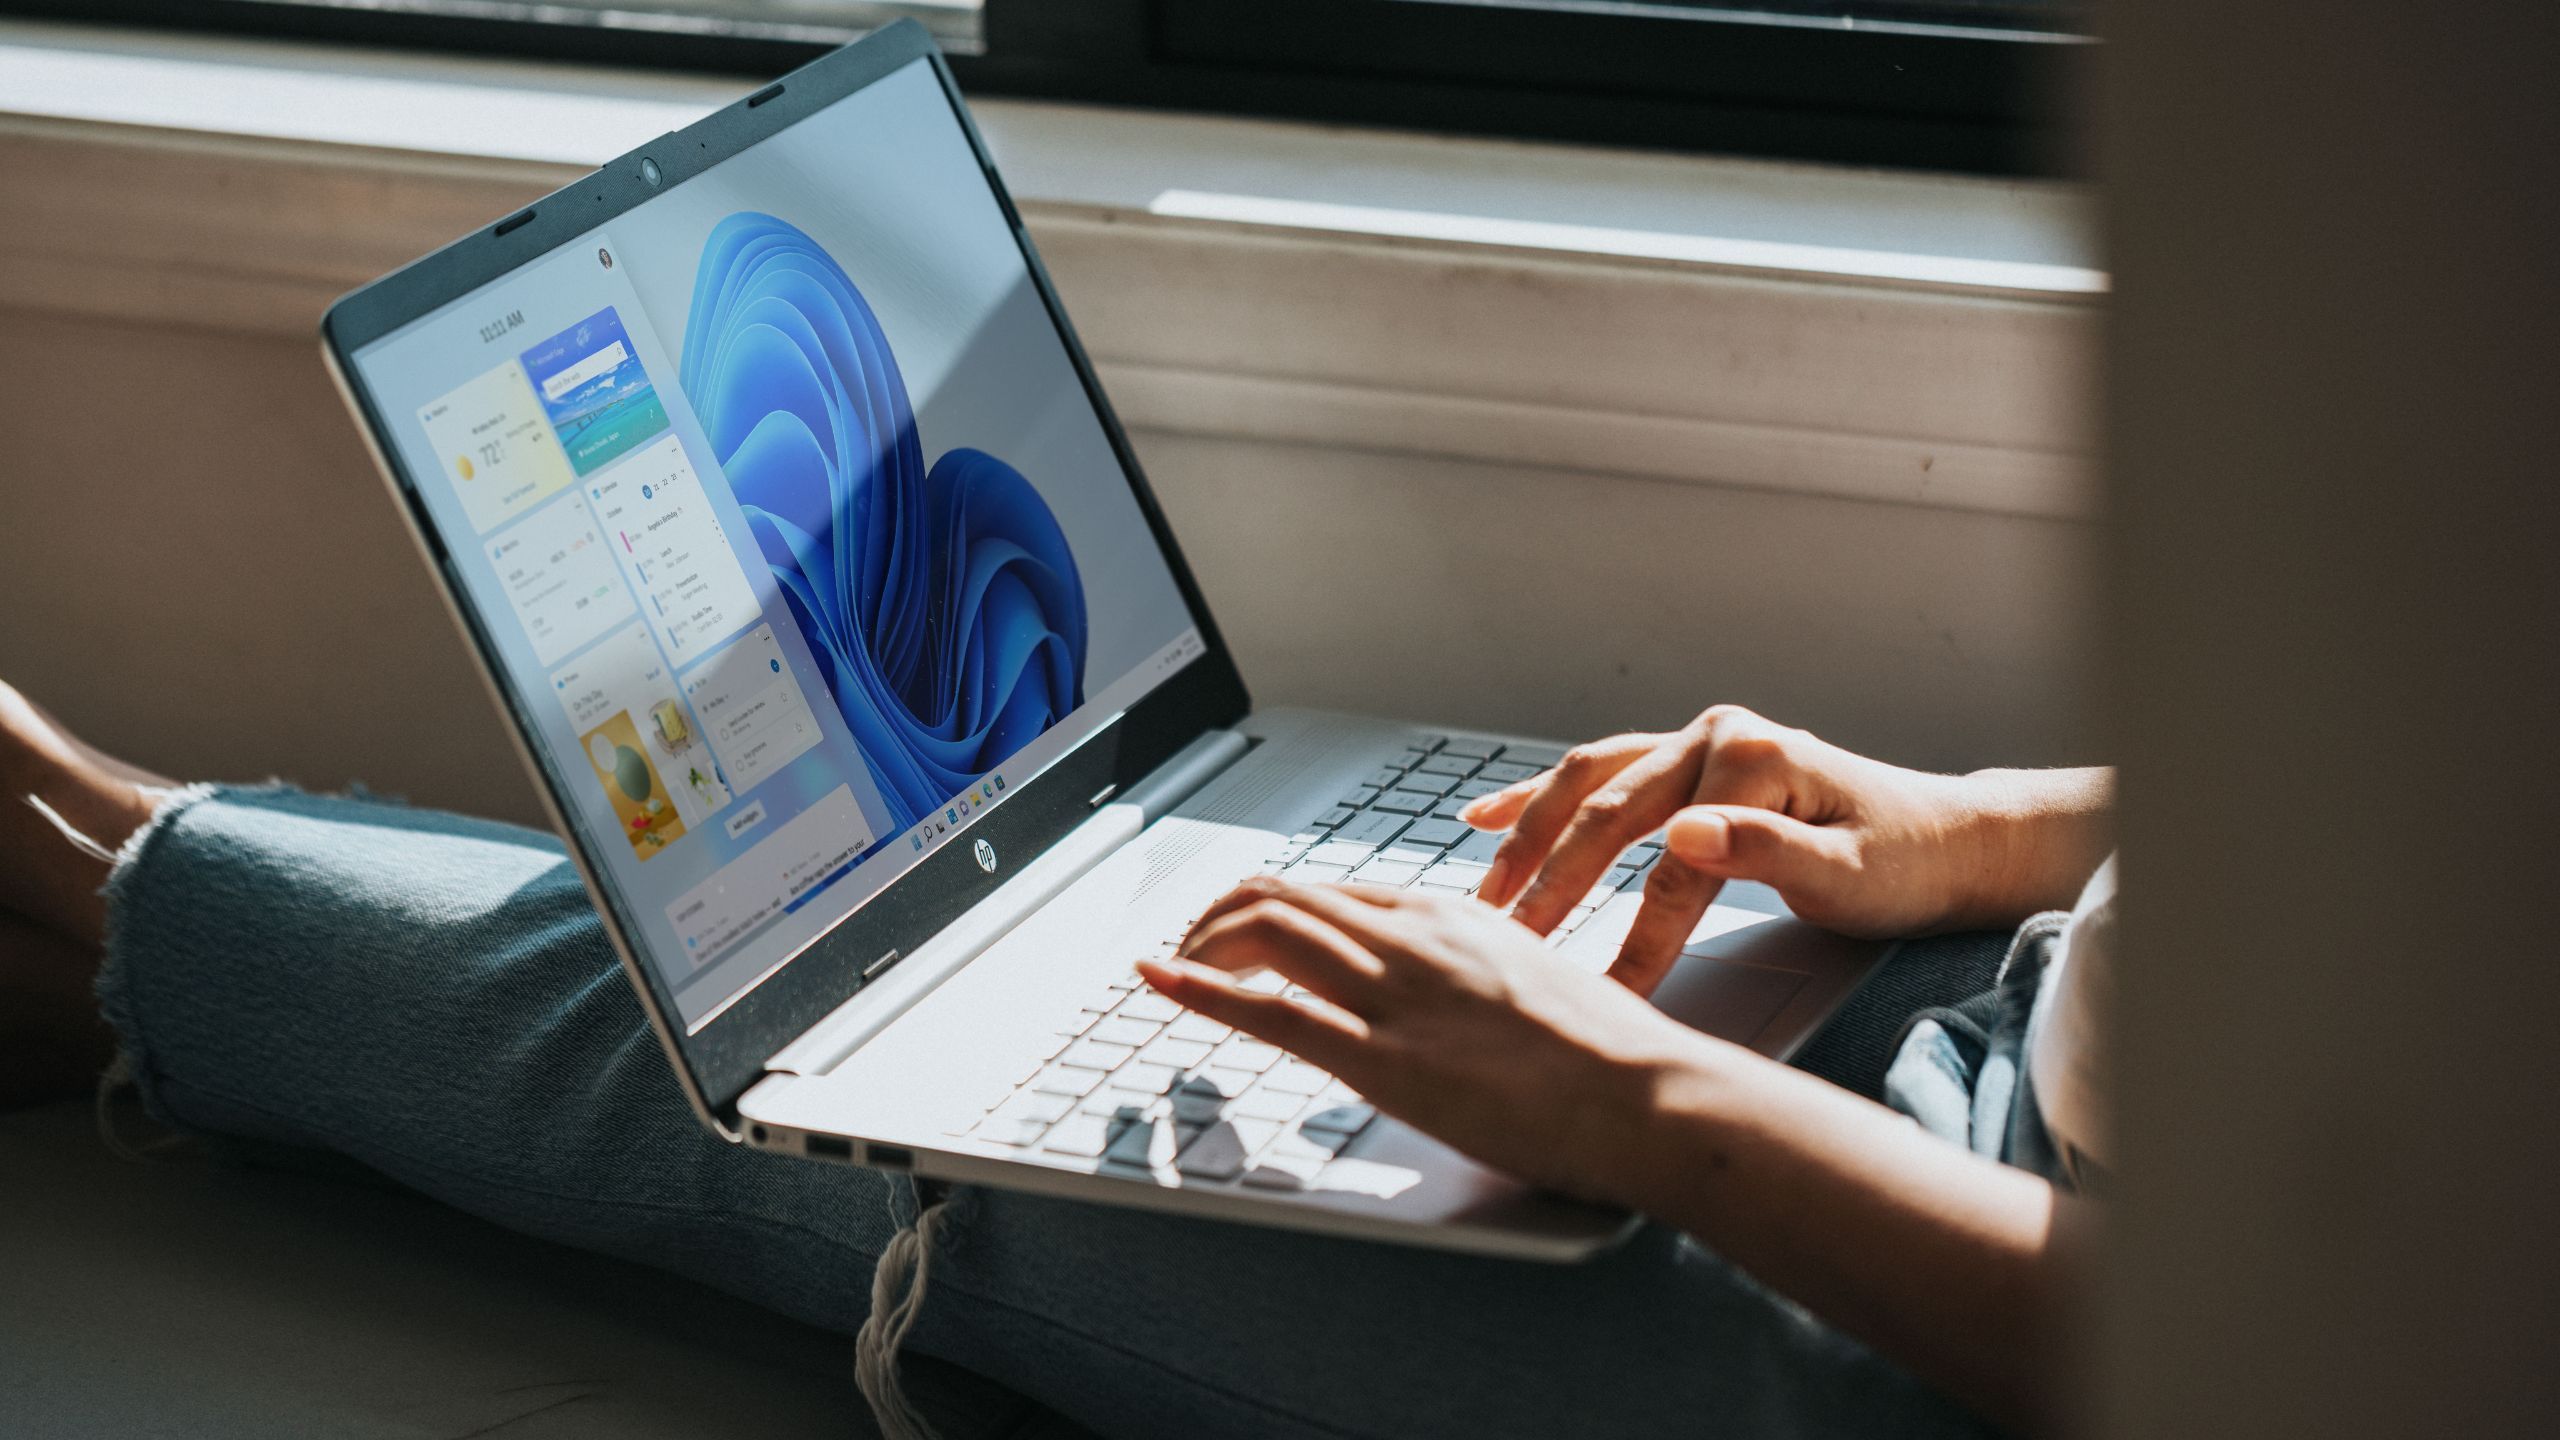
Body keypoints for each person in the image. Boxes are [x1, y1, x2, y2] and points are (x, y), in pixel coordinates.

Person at [0, 679, 2112, 1440]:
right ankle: (114, 899)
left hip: (1963, 1328)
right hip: (1984, 1007)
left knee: (823, 1073)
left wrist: (1643, 1102)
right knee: (956, 951)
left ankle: (79, 858)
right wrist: (1992, 828)